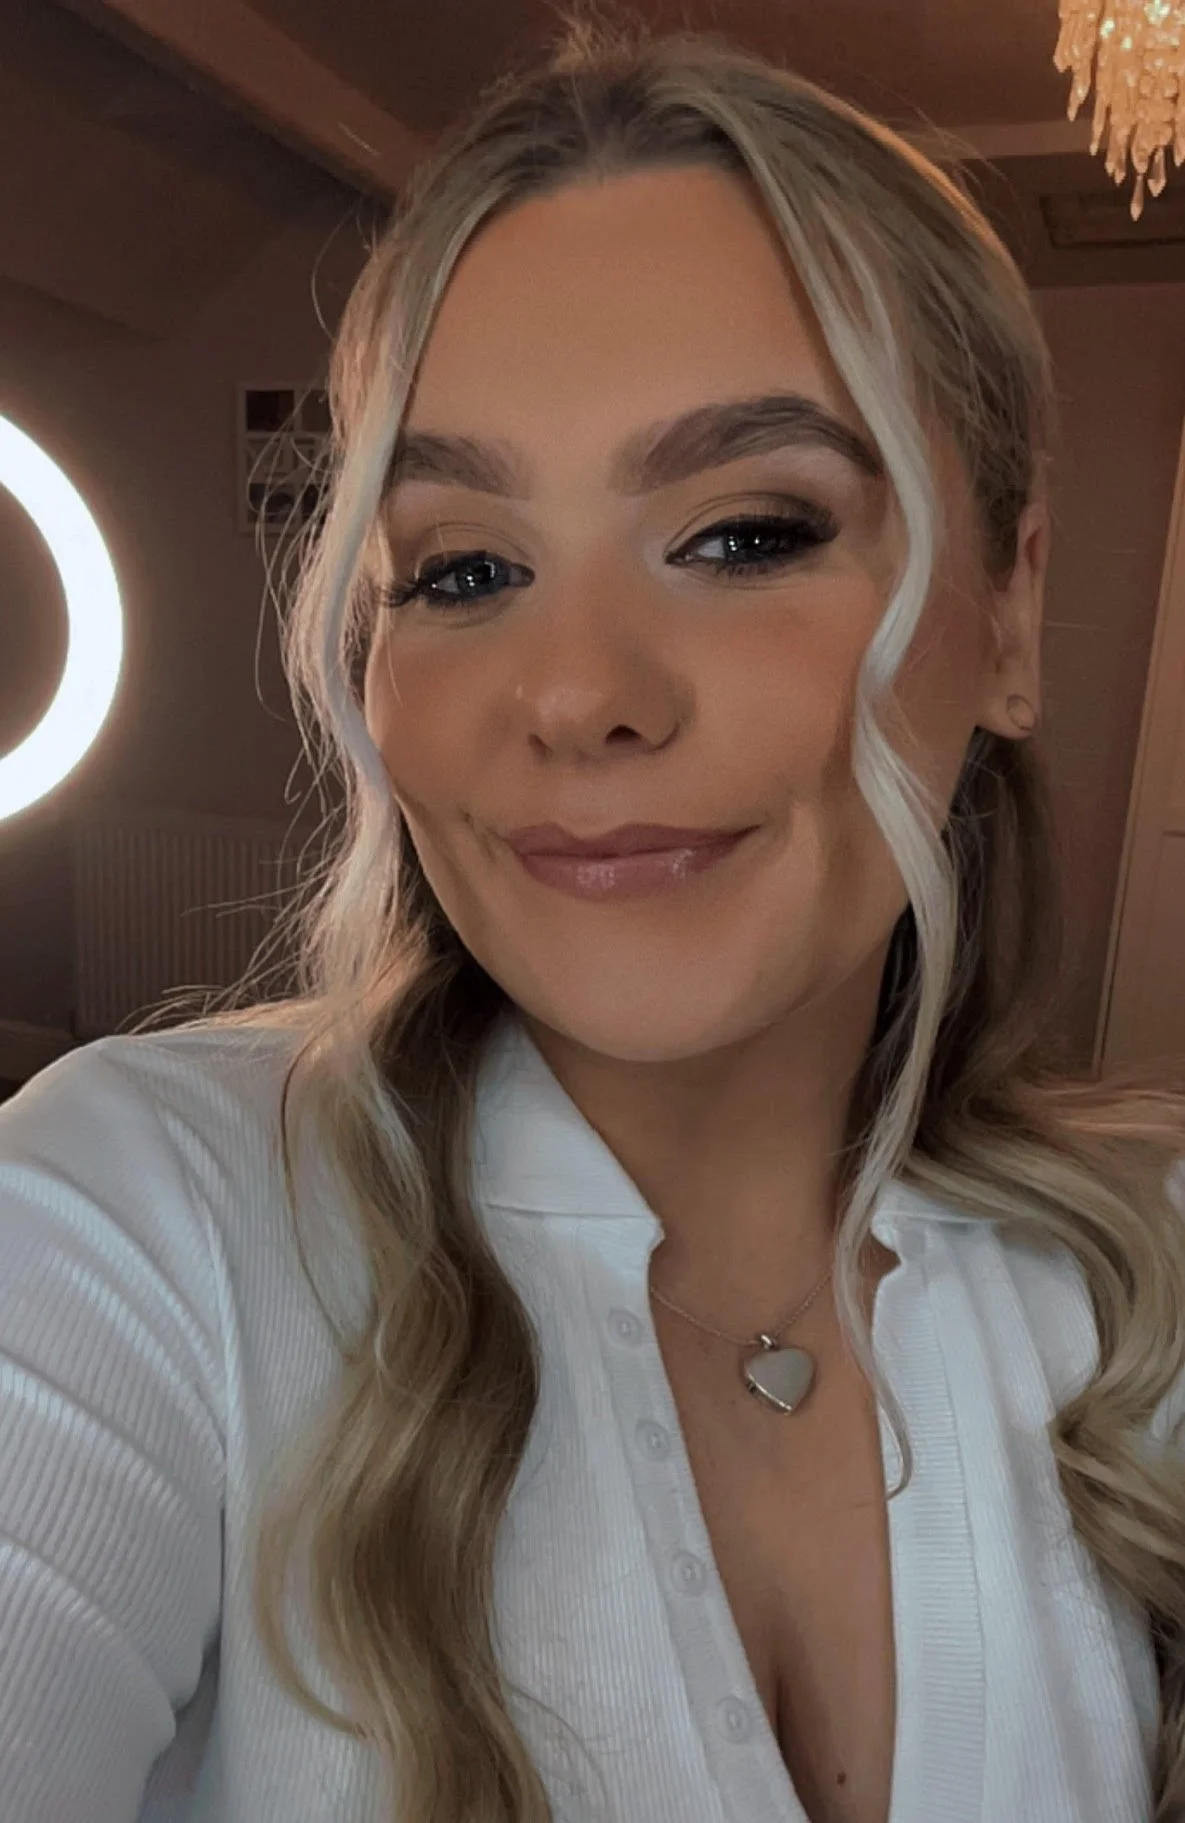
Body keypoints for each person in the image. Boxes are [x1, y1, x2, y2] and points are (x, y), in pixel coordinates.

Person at [3, 10, 1185, 1823]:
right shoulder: (137, 1225)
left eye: (746, 533)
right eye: (465, 567)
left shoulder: (1144, 1279)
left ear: (1010, 616)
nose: (575, 695)